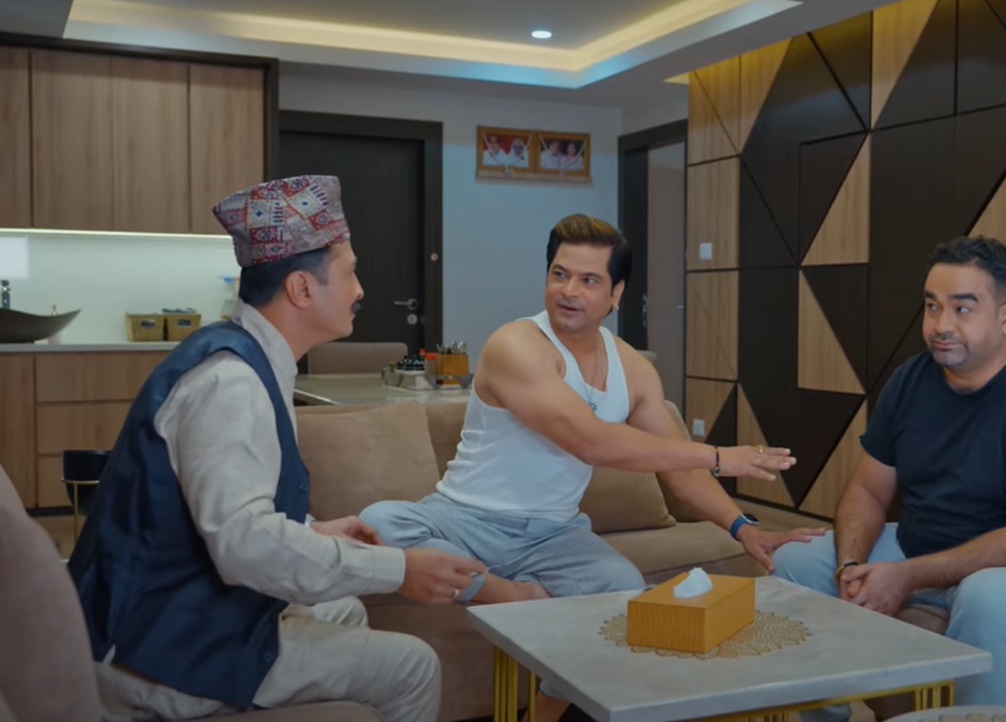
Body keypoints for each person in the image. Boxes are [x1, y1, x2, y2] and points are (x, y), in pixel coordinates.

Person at [361, 213, 825, 722]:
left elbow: (676, 469)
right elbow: (590, 442)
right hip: (462, 519)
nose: (569, 291)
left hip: (555, 535)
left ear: (615, 294)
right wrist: (717, 455)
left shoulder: (633, 369)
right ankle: (514, 597)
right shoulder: (516, 345)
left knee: (621, 591)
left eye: (588, 280)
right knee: (382, 523)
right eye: (559, 274)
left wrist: (744, 528)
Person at [67, 175, 486, 722]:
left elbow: (222, 511)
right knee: (414, 666)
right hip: (151, 646)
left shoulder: (245, 358)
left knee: (342, 609)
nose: (360, 290)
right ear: (302, 290)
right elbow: (245, 546)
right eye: (349, 272)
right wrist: (398, 569)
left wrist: (313, 530)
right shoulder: (231, 384)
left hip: (168, 611)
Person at [772, 236, 1006, 719]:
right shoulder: (910, 380)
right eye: (933, 306)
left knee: (988, 596)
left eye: (962, 309)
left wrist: (906, 576)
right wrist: (850, 566)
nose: (941, 325)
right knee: (797, 562)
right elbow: (867, 490)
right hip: (922, 545)